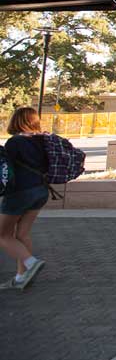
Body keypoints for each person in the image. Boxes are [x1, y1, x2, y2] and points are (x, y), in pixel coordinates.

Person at [0, 107, 49, 290]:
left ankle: (31, 262)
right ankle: (21, 277)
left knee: (3, 235)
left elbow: (6, 167)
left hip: (20, 192)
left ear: (17, 120)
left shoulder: (15, 142)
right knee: (22, 234)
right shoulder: (42, 141)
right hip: (41, 191)